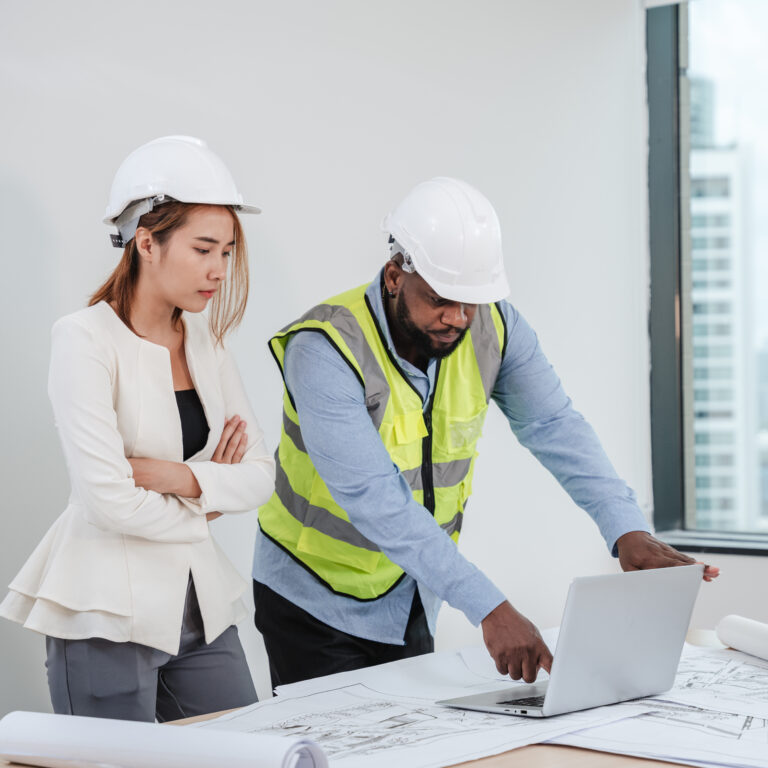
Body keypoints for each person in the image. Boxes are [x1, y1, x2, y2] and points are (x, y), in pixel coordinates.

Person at [252, 176, 719, 690]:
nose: (457, 318)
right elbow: (372, 496)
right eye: (439, 300)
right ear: (393, 276)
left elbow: (554, 424)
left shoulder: (495, 327)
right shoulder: (324, 348)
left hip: (410, 592)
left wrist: (627, 529)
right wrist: (490, 607)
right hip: (314, 599)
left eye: (469, 302)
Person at [0, 136, 275, 722]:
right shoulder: (83, 340)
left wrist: (174, 477)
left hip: (201, 605)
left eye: (227, 252)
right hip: (104, 611)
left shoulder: (206, 339)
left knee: (246, 753)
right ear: (146, 242)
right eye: (204, 249)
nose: (219, 270)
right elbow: (107, 503)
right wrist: (207, 495)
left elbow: (258, 477)